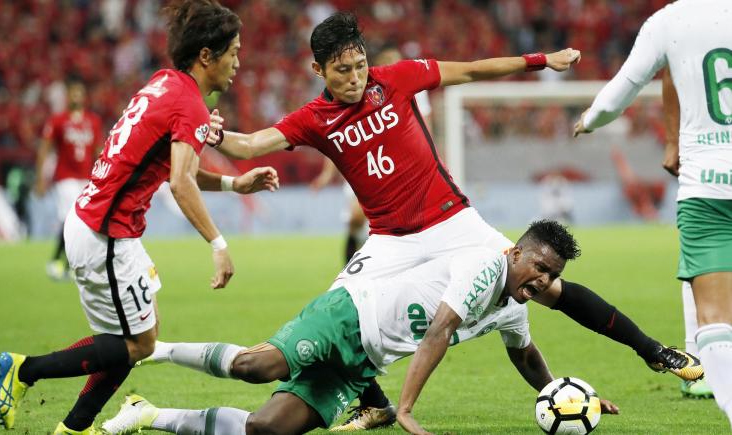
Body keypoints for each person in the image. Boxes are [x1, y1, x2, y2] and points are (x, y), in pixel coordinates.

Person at [205, 12, 702, 430]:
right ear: (319, 70)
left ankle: (654, 350)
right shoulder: (313, 118)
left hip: (453, 222)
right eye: (342, 71)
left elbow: (471, 71)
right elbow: (249, 145)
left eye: (360, 66)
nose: (355, 78)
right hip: (389, 241)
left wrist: (539, 61)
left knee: (548, 288)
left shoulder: (396, 79)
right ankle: (374, 400)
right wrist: (211, 131)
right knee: (343, 312)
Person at [0, 1, 279, 433]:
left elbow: (173, 168)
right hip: (106, 234)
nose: (238, 62)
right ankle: (24, 370)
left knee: (136, 338)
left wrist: (234, 185)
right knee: (137, 343)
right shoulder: (189, 104)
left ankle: (75, 425)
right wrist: (219, 245)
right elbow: (181, 183)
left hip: (97, 224)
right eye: (233, 52)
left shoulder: (165, 83)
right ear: (207, 55)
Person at [101, 220, 620, 434]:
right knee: (258, 366)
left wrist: (566, 393)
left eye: (551, 276)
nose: (542, 279)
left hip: (362, 362)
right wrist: (406, 410)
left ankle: (149, 413)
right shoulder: (486, 266)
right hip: (348, 315)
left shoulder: (513, 306)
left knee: (265, 429)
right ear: (516, 253)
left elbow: (526, 355)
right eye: (538, 267)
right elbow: (439, 331)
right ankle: (154, 350)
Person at [574, 0, 732, 426]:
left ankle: (708, 375)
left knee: (714, 315)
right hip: (705, 175)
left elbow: (624, 88)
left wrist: (590, 119)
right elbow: (671, 81)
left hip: (709, 186)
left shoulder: (670, 21)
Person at [310, 43, 433, 264]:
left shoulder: (413, 88)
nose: (395, 66)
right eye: (390, 61)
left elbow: (426, 128)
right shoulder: (363, 91)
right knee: (356, 218)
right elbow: (339, 134)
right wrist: (327, 173)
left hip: (401, 165)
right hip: (366, 162)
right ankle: (350, 263)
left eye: (398, 60)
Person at [661, 68, 714, 399]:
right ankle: (696, 362)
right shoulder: (689, 23)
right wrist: (672, 140)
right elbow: (670, 74)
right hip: (705, 150)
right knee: (699, 252)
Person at [35, 78, 103, 281]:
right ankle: (58, 261)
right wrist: (40, 178)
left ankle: (69, 264)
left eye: (79, 93)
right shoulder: (58, 120)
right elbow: (44, 150)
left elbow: (99, 151)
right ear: (67, 96)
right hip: (65, 178)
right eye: (72, 93)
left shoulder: (93, 121)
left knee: (83, 223)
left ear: (84, 96)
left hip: (86, 178)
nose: (76, 96)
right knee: (69, 219)